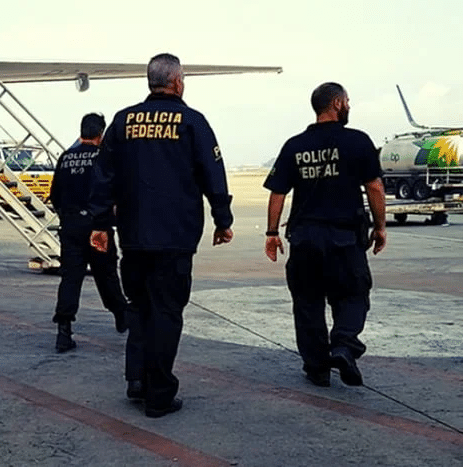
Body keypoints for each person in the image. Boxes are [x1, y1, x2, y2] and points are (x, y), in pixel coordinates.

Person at [88, 53, 234, 418]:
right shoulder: (192, 122)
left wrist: (100, 224)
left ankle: (136, 380)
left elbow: (103, 177)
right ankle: (159, 393)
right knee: (167, 312)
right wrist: (222, 218)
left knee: (139, 308)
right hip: (175, 237)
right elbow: (212, 173)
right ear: (178, 82)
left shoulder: (122, 122)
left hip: (134, 236)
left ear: (150, 81)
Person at [263, 82, 387, 388]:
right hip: (344, 238)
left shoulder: (294, 145)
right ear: (336, 103)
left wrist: (271, 232)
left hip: (305, 238)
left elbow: (278, 192)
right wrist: (380, 227)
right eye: (346, 101)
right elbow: (374, 187)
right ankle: (344, 345)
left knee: (307, 302)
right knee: (353, 294)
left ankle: (317, 367)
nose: (348, 105)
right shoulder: (358, 141)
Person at [50, 113, 129, 353]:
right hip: (98, 228)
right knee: (106, 274)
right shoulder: (104, 157)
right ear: (100, 134)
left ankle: (63, 331)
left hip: (71, 227)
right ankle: (121, 314)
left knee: (70, 278)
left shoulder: (65, 158)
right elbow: (114, 191)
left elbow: (55, 195)